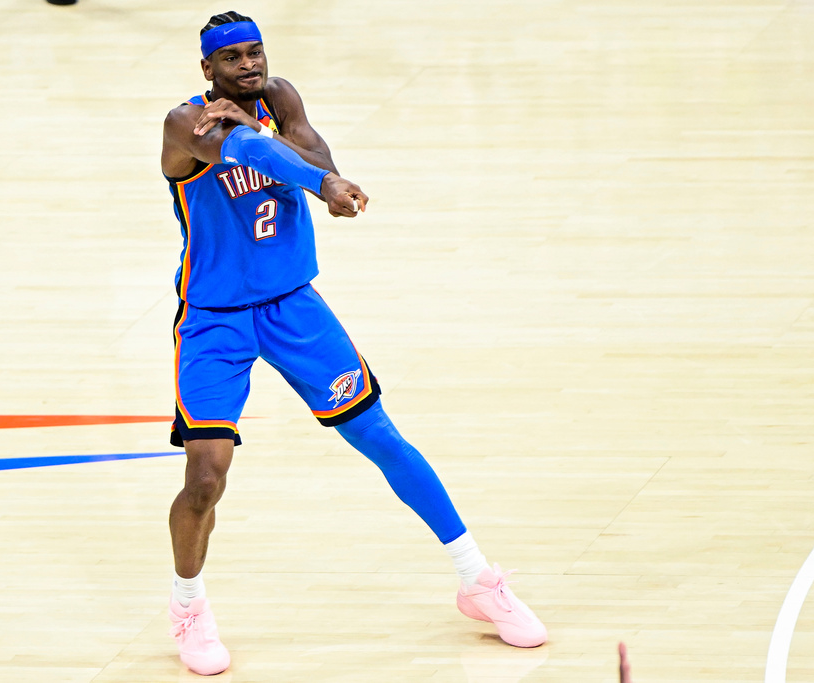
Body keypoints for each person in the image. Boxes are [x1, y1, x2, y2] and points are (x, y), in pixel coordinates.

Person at [160, 11, 548, 675]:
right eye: (233, 59)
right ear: (207, 70)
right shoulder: (184, 124)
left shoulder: (279, 98)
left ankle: (477, 579)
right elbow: (254, 155)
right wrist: (311, 174)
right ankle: (187, 605)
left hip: (293, 306)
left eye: (256, 53)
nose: (249, 66)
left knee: (383, 437)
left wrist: (321, 173)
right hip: (215, 317)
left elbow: (317, 160)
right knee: (206, 474)